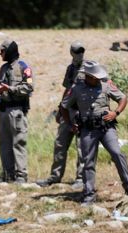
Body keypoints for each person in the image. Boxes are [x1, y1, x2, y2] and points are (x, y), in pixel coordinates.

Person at [60, 60, 128, 205]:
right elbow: (63, 106)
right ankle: (89, 194)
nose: (97, 79)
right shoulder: (76, 89)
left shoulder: (106, 84)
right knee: (88, 161)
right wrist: (70, 125)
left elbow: (123, 98)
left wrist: (116, 112)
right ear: (88, 76)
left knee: (116, 153)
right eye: (94, 77)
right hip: (87, 130)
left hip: (106, 127)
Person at [37, 41, 86, 188]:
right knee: (60, 143)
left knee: (81, 146)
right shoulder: (70, 69)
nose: (79, 54)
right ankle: (55, 176)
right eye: (77, 52)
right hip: (69, 110)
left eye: (81, 51)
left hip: (82, 111)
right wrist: (60, 109)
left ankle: (81, 178)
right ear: (71, 53)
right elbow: (67, 90)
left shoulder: (89, 68)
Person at [0, 39, 34, 184]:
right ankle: (8, 176)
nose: (0, 53)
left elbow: (29, 88)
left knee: (18, 143)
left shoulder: (23, 67)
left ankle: (21, 176)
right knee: (4, 144)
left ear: (9, 51)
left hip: (17, 111)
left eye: (2, 51)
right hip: (3, 111)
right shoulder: (3, 68)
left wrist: (9, 89)